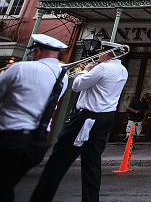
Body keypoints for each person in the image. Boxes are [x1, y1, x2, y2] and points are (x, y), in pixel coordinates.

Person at [30, 41, 128, 202]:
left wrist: (85, 71)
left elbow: (77, 86)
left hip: (88, 116)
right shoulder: (122, 70)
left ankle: (41, 196)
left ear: (106, 53)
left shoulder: (103, 68)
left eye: (100, 53)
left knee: (60, 157)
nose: (98, 56)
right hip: (106, 117)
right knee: (92, 161)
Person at [0, 34, 68, 202]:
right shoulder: (63, 76)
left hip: (10, 135)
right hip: (37, 138)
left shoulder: (20, 68)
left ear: (37, 50)